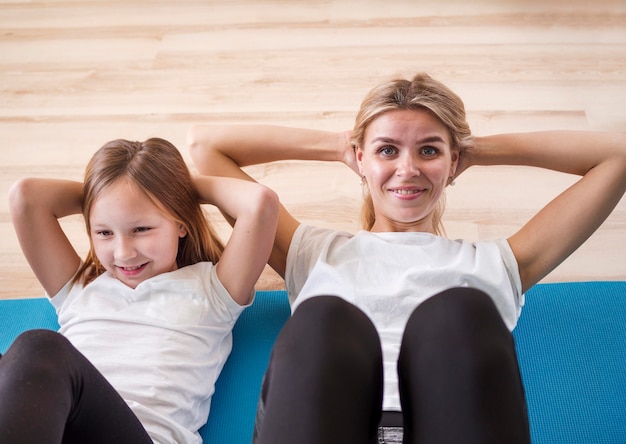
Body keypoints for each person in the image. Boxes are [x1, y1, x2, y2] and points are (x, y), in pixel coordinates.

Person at [187, 73, 626, 444]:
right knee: (325, 320)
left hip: (451, 428)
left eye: (429, 151)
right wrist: (345, 145)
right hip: (331, 428)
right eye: (387, 151)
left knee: (459, 310)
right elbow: (208, 146)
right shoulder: (313, 252)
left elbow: (617, 157)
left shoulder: (497, 263)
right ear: (361, 160)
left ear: (453, 164)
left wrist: (469, 148)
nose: (408, 168)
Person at [2, 137, 279, 444]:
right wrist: (108, 191)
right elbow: (25, 197)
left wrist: (176, 188)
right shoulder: (80, 289)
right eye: (105, 232)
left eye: (141, 229)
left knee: (38, 347)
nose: (123, 253)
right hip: (52, 431)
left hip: (142, 436)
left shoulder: (213, 292)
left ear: (181, 222)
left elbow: (260, 203)